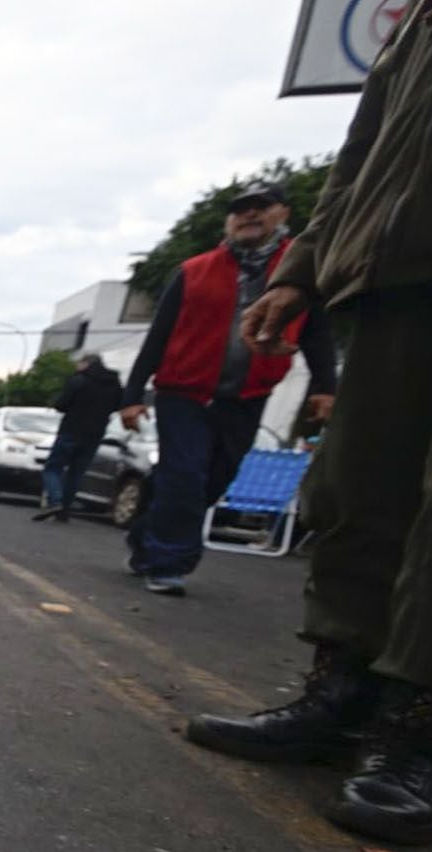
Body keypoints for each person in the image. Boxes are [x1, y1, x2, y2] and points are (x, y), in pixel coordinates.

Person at [186, 0, 432, 846]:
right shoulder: (417, 32)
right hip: (390, 277)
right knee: (356, 492)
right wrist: (305, 267)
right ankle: (340, 697)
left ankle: (420, 729)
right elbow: (365, 154)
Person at [120, 179, 338, 595]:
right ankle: (168, 562)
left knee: (213, 480)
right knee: (184, 476)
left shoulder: (300, 275)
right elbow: (158, 337)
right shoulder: (193, 271)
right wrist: (131, 397)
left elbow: (317, 335)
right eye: (241, 209)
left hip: (247, 396)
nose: (249, 215)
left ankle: (147, 535)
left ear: (283, 215)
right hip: (183, 393)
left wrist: (325, 387)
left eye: (261, 206)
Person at [34, 353, 123, 522]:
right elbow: (117, 405)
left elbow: (62, 404)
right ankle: (64, 512)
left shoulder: (79, 380)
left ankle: (55, 501)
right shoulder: (113, 382)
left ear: (86, 364)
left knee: (53, 468)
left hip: (71, 430)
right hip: (95, 434)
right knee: (76, 472)